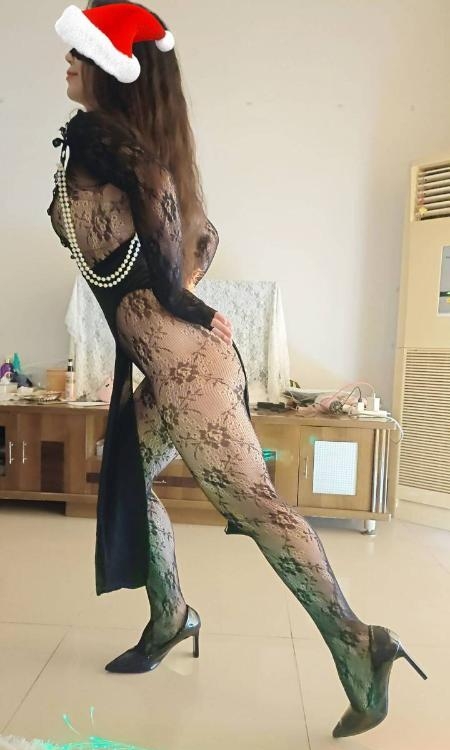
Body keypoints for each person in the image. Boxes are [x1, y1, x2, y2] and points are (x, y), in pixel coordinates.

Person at [48, 1, 427, 738]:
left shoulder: (105, 142)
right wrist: (177, 294)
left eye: (79, 51)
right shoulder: (130, 146)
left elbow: (162, 215)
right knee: (128, 475)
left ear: (110, 69)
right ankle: (172, 616)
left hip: (190, 375)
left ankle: (359, 641)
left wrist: (177, 300)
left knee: (257, 508)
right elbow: (203, 237)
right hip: (176, 371)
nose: (67, 62)